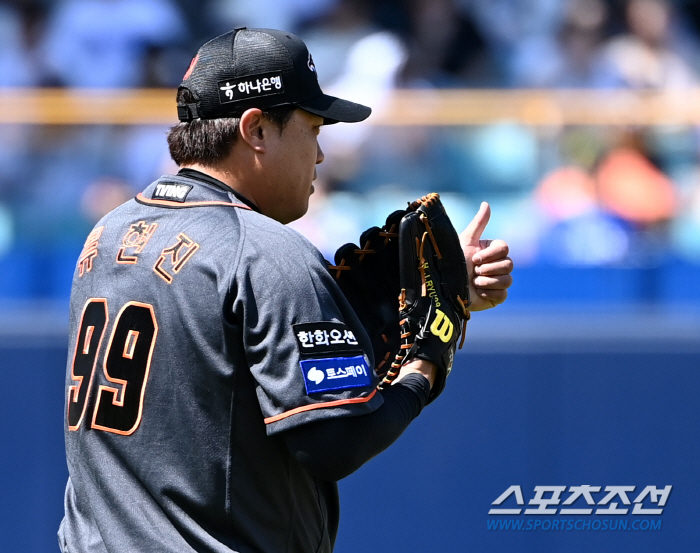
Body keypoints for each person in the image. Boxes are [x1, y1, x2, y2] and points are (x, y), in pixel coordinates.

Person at [59, 27, 513, 553]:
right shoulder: (265, 252)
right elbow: (335, 439)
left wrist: (374, 305)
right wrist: (425, 362)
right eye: (313, 127)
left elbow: (223, 373)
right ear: (256, 129)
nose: (320, 154)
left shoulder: (107, 234)